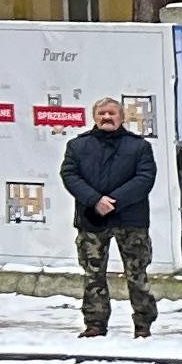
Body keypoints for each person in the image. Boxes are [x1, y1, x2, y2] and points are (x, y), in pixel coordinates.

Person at [60, 101, 159, 339]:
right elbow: (69, 175)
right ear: (94, 117)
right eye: (101, 113)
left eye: (111, 113)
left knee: (136, 273)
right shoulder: (77, 145)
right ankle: (95, 324)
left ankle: (143, 324)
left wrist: (113, 201)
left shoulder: (139, 146)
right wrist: (95, 200)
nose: (106, 117)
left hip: (131, 219)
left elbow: (145, 178)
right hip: (92, 219)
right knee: (93, 274)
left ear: (121, 117)